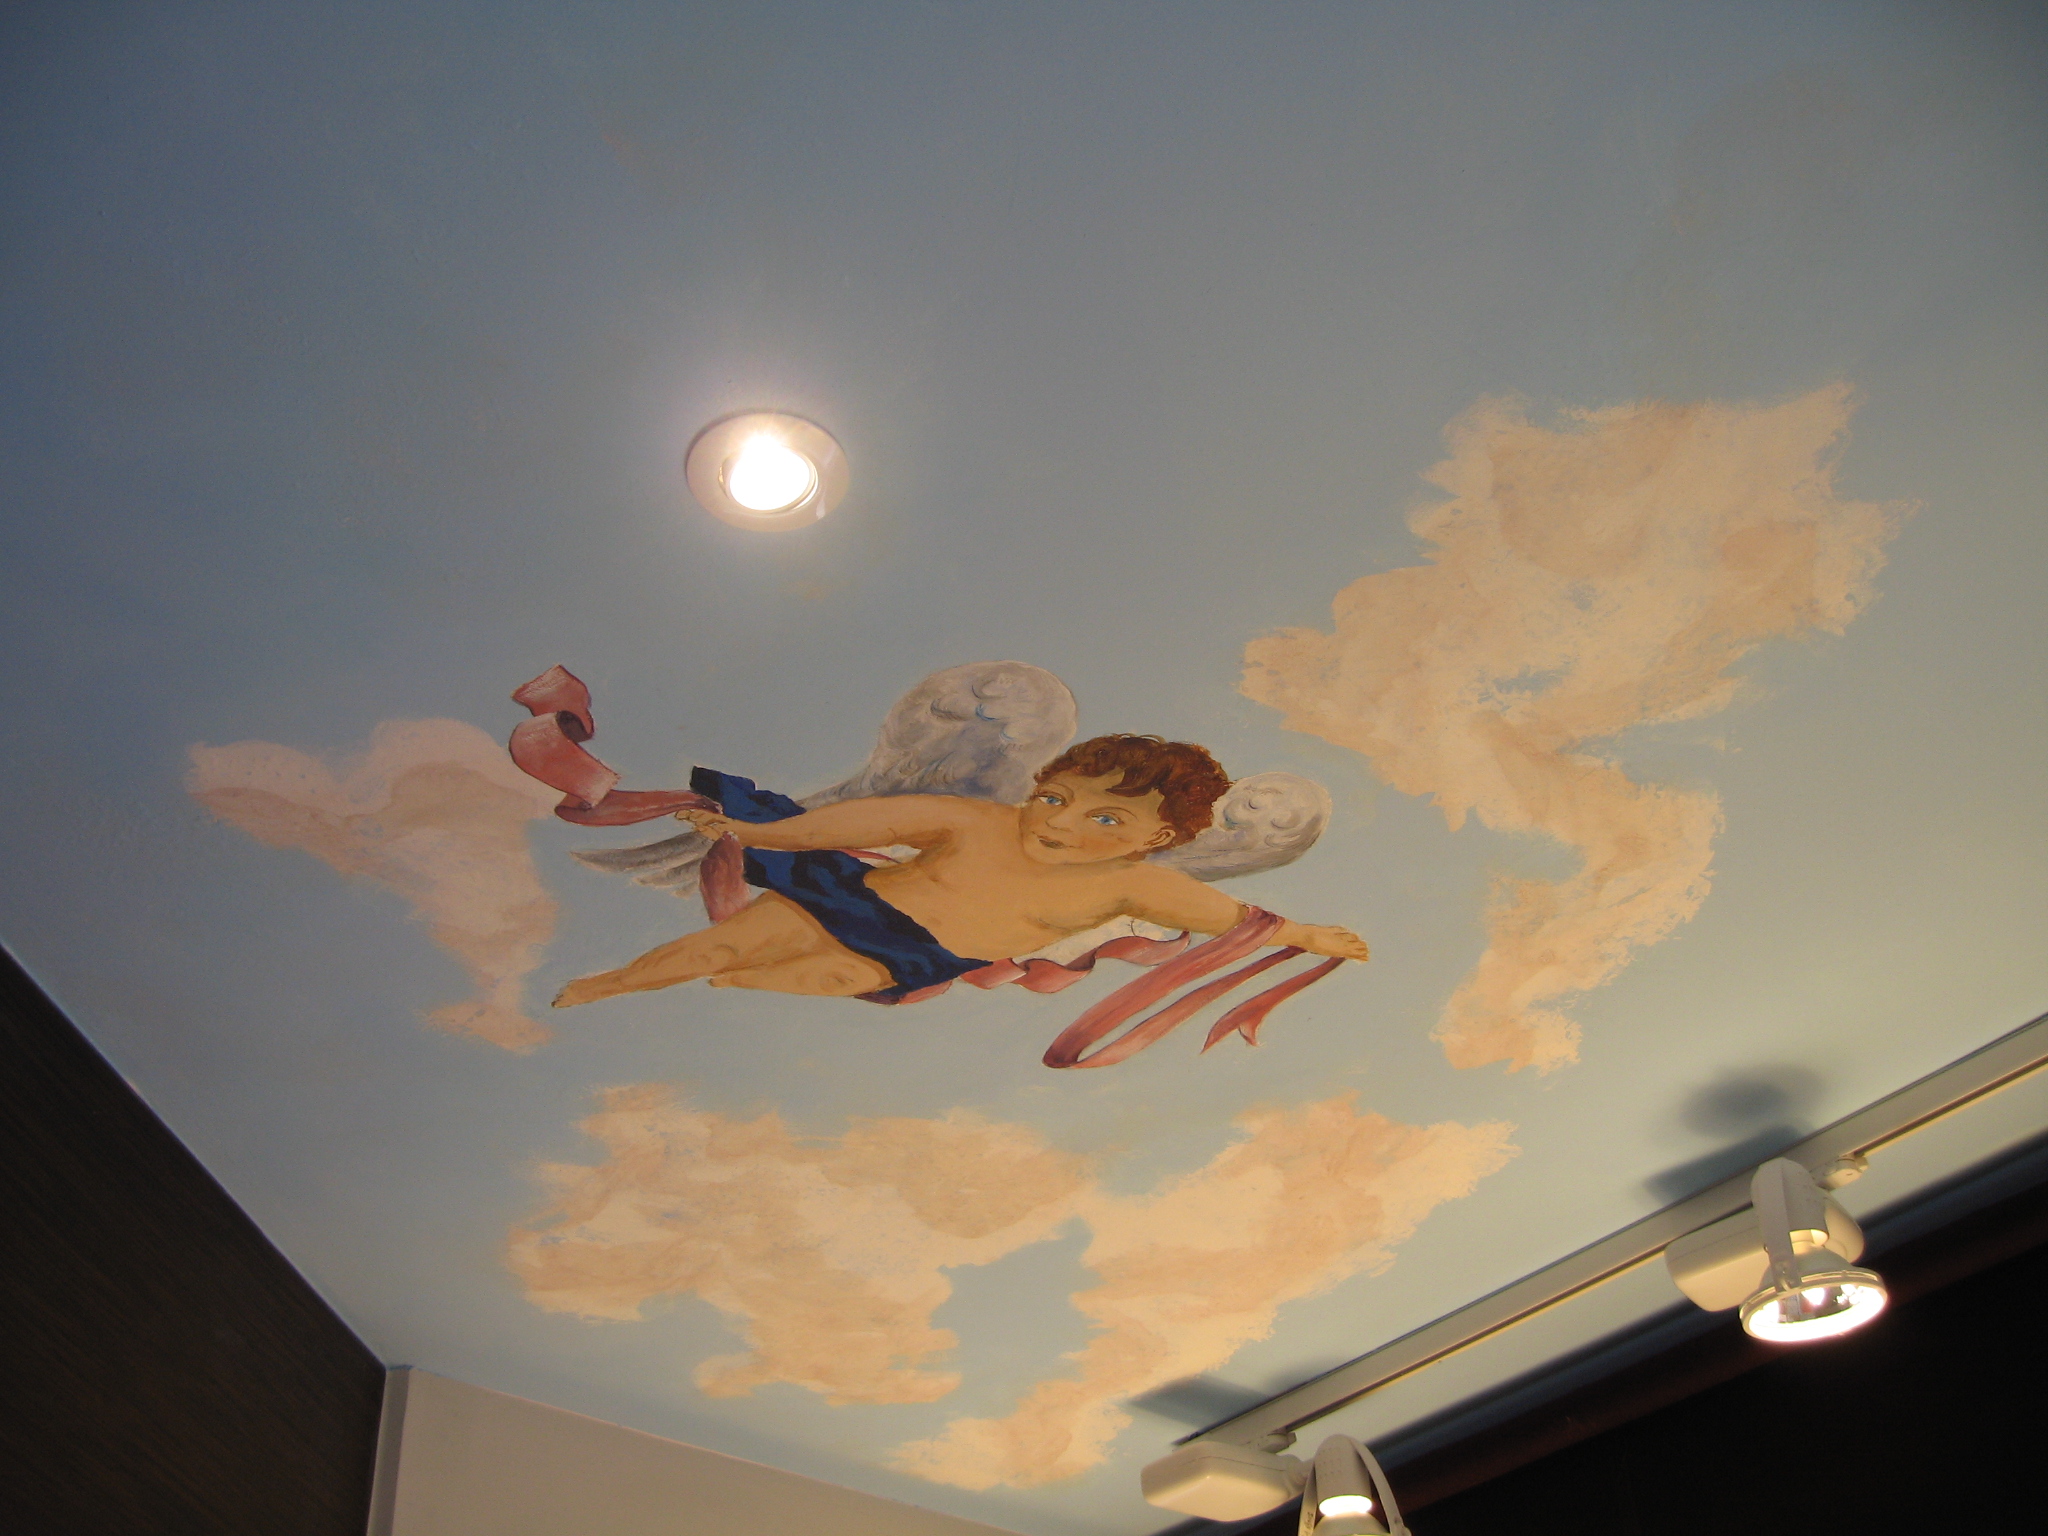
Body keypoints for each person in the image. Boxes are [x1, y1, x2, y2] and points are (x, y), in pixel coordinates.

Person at [553, 735, 1369, 1008]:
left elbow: (1223, 918)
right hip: (852, 901)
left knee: (820, 979)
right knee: (717, 948)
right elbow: (861, 824)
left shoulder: (1137, 886)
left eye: (1106, 820)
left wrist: (1304, 935)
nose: (1060, 823)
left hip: (922, 953)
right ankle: (610, 983)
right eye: (1055, 798)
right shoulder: (980, 821)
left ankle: (732, 982)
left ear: (1154, 839)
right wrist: (756, 829)